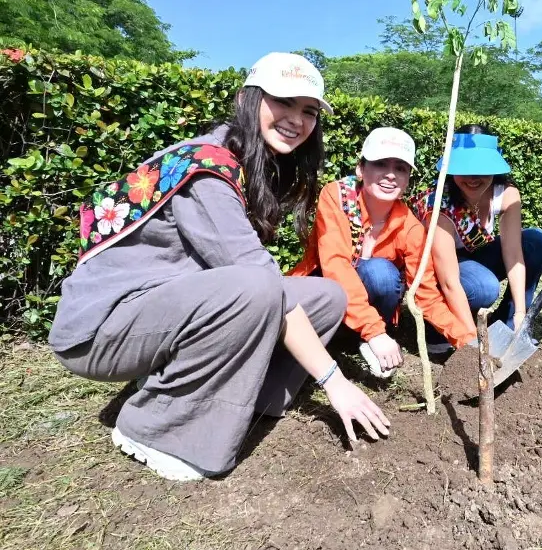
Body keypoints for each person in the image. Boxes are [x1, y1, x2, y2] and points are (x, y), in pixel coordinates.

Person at [48, 52, 389, 482]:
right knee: (259, 288)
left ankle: (251, 398)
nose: (296, 119)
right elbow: (258, 281)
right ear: (249, 99)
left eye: (308, 111)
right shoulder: (206, 170)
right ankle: (154, 429)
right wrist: (336, 383)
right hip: (100, 332)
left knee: (326, 296)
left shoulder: (247, 162)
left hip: (155, 308)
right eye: (283, 101)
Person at [290, 128, 477, 377]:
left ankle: (359, 339)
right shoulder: (337, 197)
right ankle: (356, 336)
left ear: (408, 179)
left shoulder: (410, 226)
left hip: (373, 313)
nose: (390, 175)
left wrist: (468, 343)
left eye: (400, 168)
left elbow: (426, 295)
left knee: (381, 274)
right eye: (380, 164)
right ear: (361, 169)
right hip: (327, 295)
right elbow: (336, 266)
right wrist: (375, 331)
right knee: (375, 272)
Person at [412, 124, 542, 353]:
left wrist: (520, 314)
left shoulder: (506, 194)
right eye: (464, 169)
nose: (473, 178)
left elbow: (514, 253)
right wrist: (472, 344)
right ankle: (440, 331)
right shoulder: (439, 204)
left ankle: (509, 328)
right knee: (483, 287)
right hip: (436, 269)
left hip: (471, 256)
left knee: (535, 241)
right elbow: (448, 281)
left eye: (482, 169)